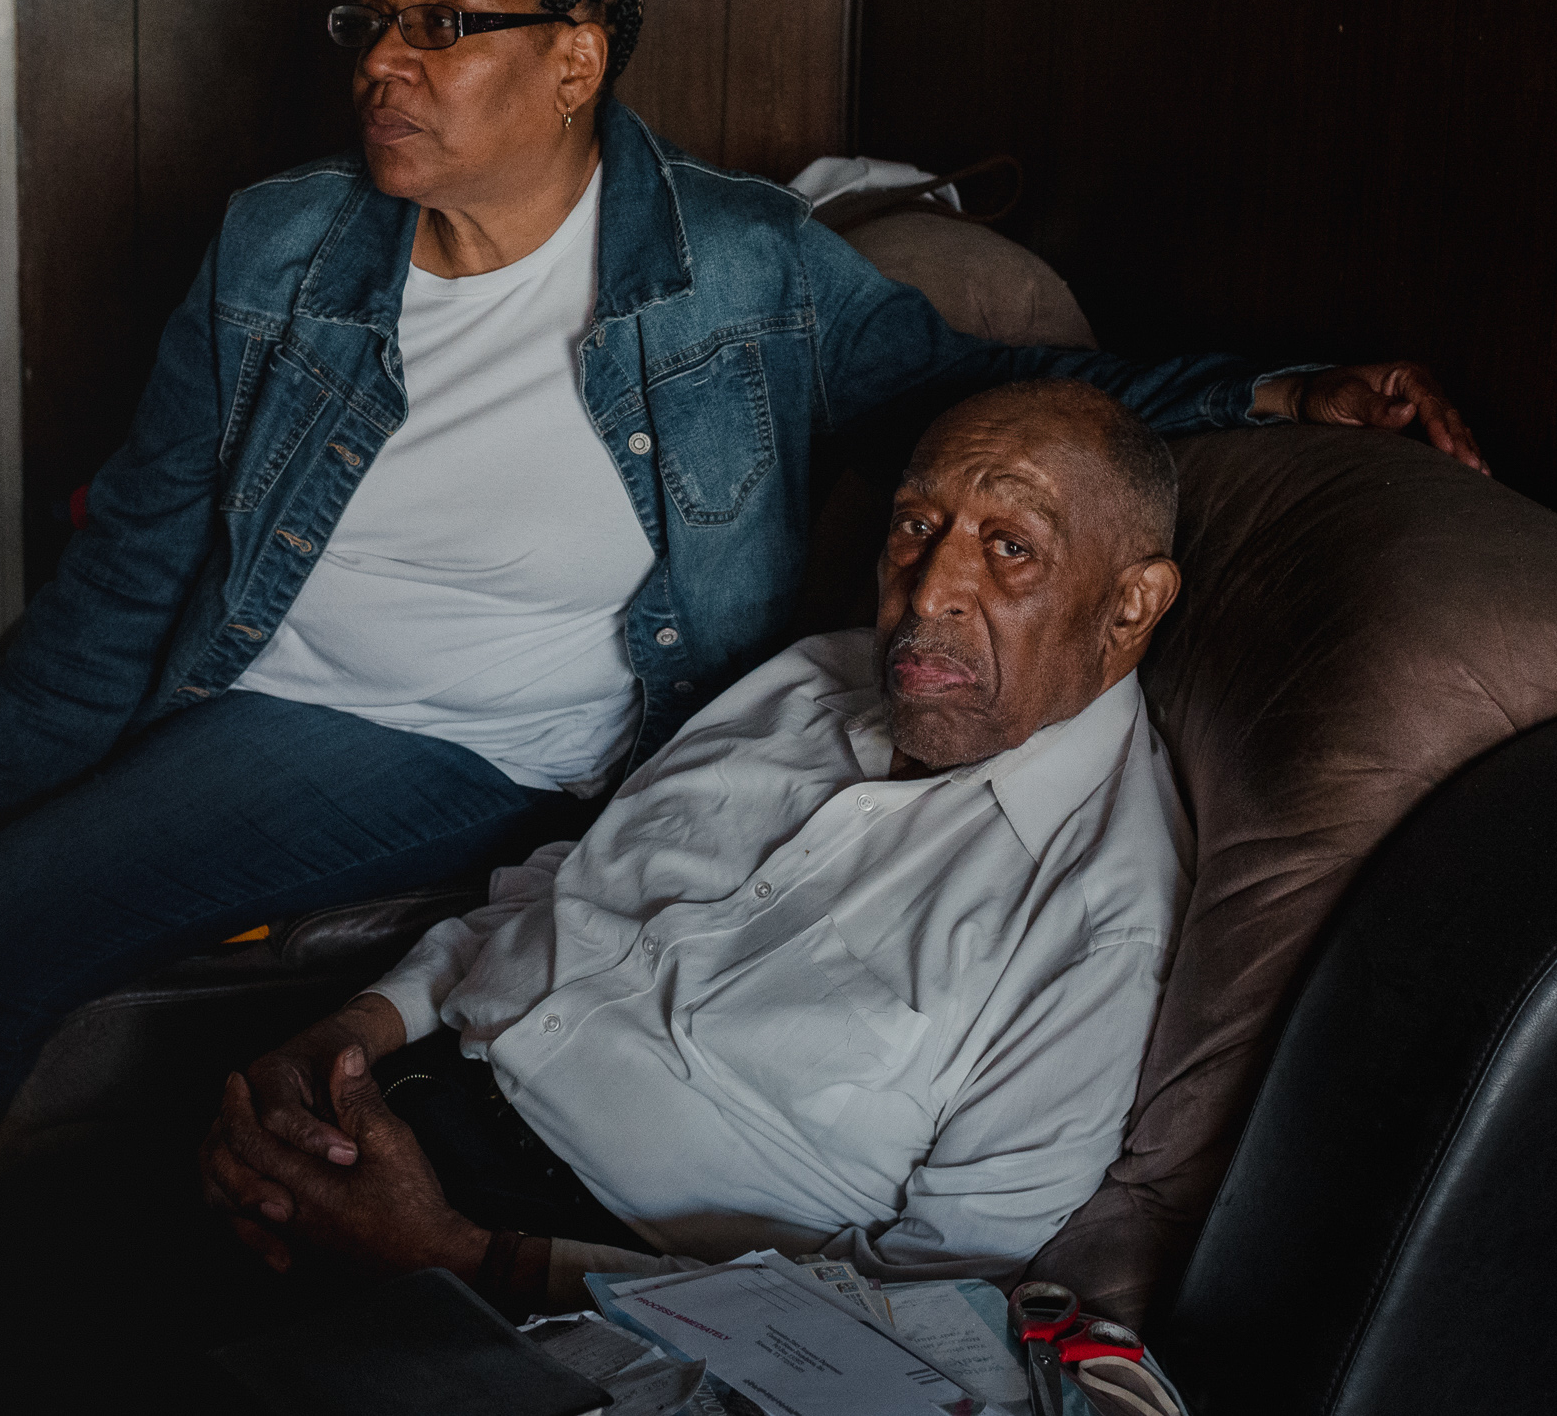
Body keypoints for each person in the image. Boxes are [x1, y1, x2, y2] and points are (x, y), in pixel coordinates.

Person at [0, 0, 1482, 1156]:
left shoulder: (739, 273)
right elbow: (133, 562)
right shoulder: (279, 249)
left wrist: (1276, 395)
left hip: (463, 743)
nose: (384, 62)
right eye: (372, 20)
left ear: (572, 58)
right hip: (233, 677)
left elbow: (991, 382)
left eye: (441, 23)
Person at [199, 379, 1192, 1312]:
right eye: (916, 526)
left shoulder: (1102, 924)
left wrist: (464, 1259)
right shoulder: (811, 680)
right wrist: (346, 1038)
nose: (931, 592)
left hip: (567, 1281)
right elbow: (561, 891)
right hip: (394, 1093)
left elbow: (925, 1306)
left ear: (1132, 604)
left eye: (1011, 547)